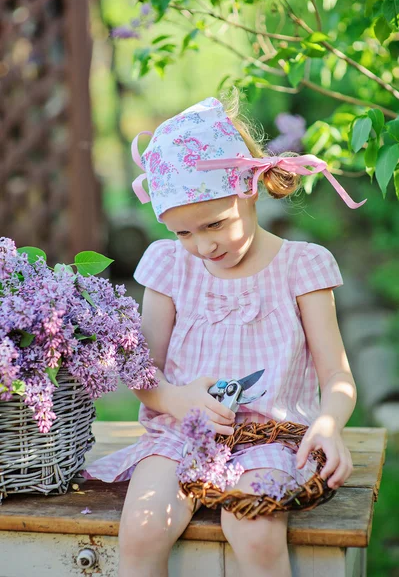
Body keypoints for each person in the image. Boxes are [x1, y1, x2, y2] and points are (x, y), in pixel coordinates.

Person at [84, 95, 364, 577]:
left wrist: (330, 422)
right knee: (145, 525)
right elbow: (141, 367)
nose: (204, 245)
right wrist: (174, 398)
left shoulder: (302, 266)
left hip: (271, 439)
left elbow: (336, 372)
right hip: (180, 431)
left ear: (251, 189)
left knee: (254, 530)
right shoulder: (170, 266)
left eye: (215, 224)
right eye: (184, 233)